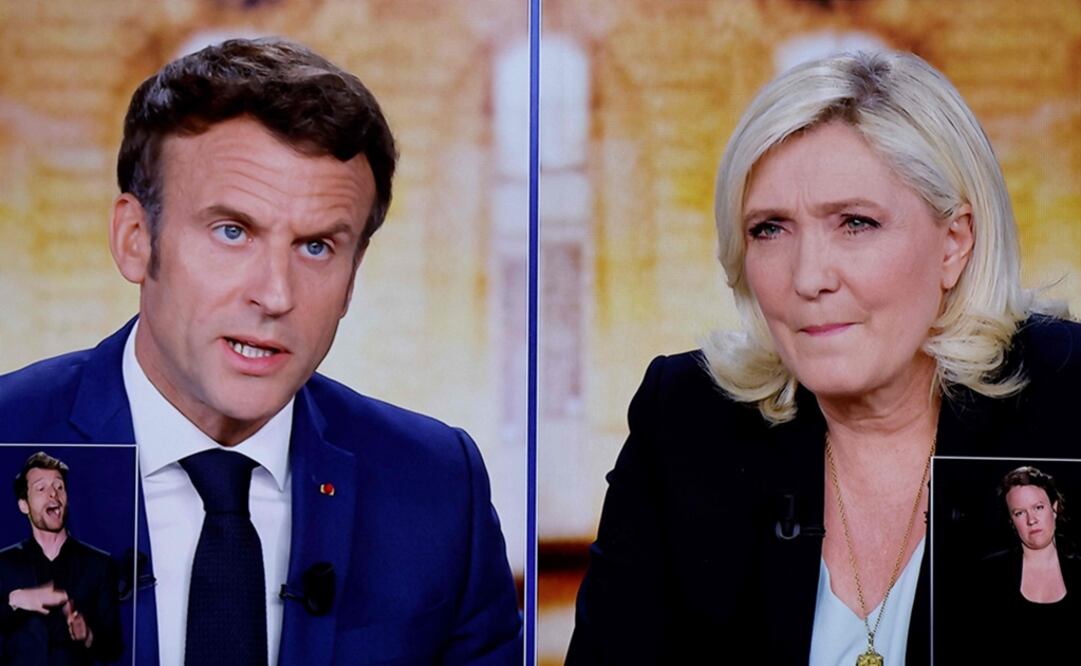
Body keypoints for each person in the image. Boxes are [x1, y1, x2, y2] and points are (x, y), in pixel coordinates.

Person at [0, 38, 521, 665]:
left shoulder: (436, 487)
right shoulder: (14, 431)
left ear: (353, 276)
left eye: (317, 247)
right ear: (136, 239)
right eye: (232, 231)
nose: (275, 295)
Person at [566, 50, 1080, 665]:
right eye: (770, 229)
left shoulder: (1068, 396)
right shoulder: (684, 417)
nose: (808, 278)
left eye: (855, 223)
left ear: (954, 242)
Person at [0, 452, 122, 664]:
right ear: (24, 505)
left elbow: (113, 648)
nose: (53, 495)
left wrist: (88, 636)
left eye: (59, 487)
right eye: (41, 488)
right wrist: (16, 599)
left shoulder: (99, 565)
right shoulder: (3, 564)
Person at [968, 466, 1079, 661]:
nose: (1031, 520)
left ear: (1054, 508)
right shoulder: (988, 575)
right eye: (1019, 513)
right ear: (1012, 521)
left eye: (1038, 507)